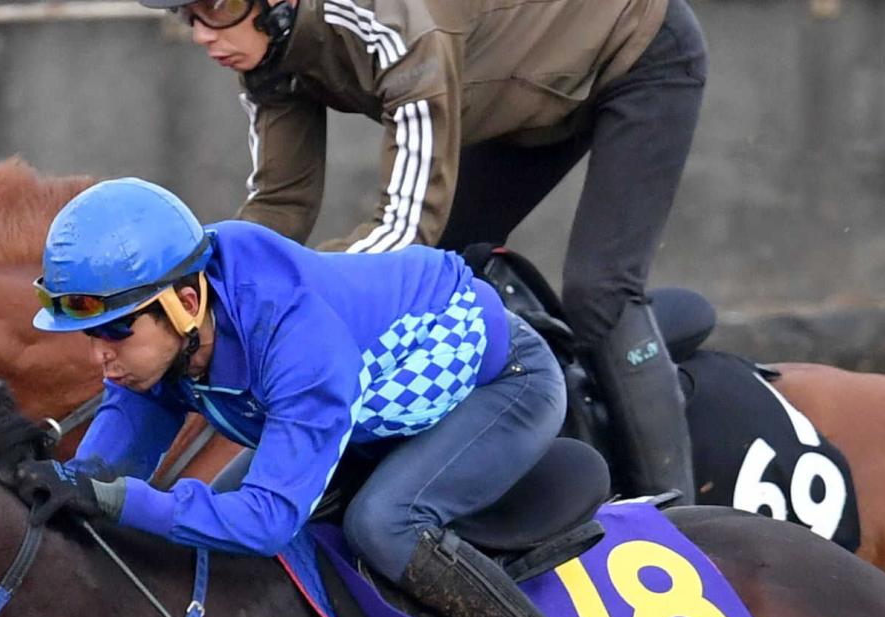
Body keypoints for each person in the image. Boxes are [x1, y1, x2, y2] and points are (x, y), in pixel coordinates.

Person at [17, 177, 632, 617]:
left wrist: (116, 500)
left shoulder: (296, 335)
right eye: (90, 335)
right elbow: (113, 458)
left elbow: (264, 521)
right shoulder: (180, 334)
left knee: (384, 524)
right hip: (369, 417)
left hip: (505, 385)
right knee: (209, 530)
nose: (99, 356)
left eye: (116, 331)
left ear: (184, 302)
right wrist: (65, 483)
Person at [138, 0, 707, 505]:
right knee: (440, 286)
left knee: (597, 290)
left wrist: (287, 306)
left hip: (636, 56)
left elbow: (403, 228)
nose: (201, 34)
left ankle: (681, 510)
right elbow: (279, 205)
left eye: (214, 7)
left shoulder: (394, 28)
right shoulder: (266, 54)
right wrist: (194, 296)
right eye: (187, 15)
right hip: (514, 95)